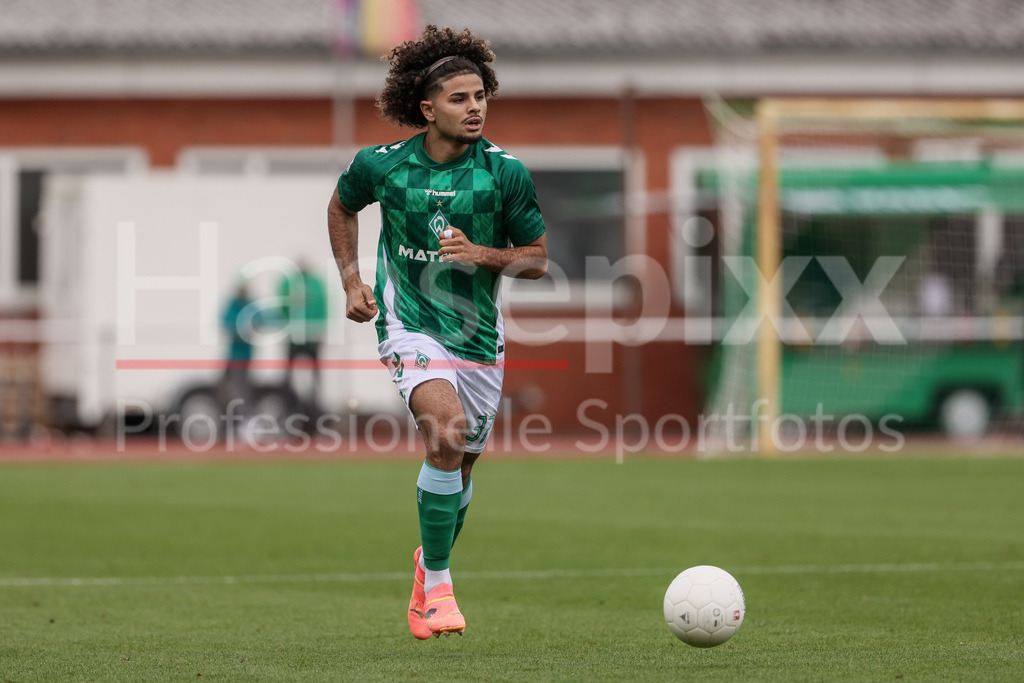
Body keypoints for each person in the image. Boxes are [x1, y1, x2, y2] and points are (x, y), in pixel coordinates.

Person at [327, 25, 548, 638]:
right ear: (427, 109)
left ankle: (429, 560)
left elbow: (537, 259)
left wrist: (482, 254)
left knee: (459, 467)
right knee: (444, 432)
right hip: (409, 326)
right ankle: (442, 588)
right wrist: (351, 281)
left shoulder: (505, 175)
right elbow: (341, 206)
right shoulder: (383, 167)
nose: (474, 107)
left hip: (479, 339)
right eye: (459, 98)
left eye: (480, 96)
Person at [278, 257, 328, 411]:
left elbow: (322, 308)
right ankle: (289, 405)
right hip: (295, 337)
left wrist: (320, 331)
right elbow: (282, 306)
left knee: (314, 374)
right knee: (289, 374)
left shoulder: (314, 284)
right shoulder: (290, 283)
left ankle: (314, 405)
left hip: (311, 337)